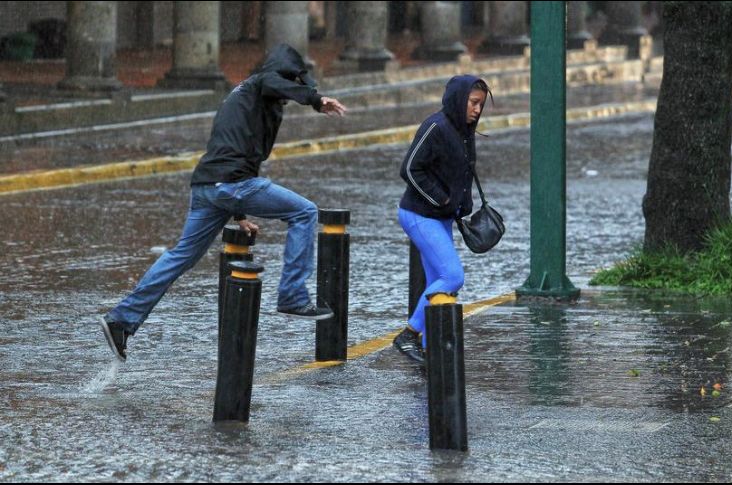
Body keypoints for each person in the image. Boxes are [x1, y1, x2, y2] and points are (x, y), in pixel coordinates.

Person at [99, 44, 347, 362]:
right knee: (305, 212)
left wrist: (238, 214)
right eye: (294, 84)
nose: (289, 95)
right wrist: (315, 99)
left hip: (208, 187)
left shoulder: (244, 95)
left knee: (180, 257)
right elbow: (274, 83)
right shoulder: (262, 83)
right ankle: (292, 296)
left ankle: (121, 320)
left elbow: (238, 148)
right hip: (232, 184)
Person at [393, 75, 490, 364]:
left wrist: (462, 205)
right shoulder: (435, 127)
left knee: (437, 281)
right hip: (419, 215)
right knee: (452, 277)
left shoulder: (465, 131)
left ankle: (429, 347)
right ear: (459, 99)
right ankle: (409, 334)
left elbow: (461, 173)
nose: (477, 110)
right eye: (473, 103)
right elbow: (410, 169)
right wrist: (443, 199)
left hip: (442, 218)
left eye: (481, 105)